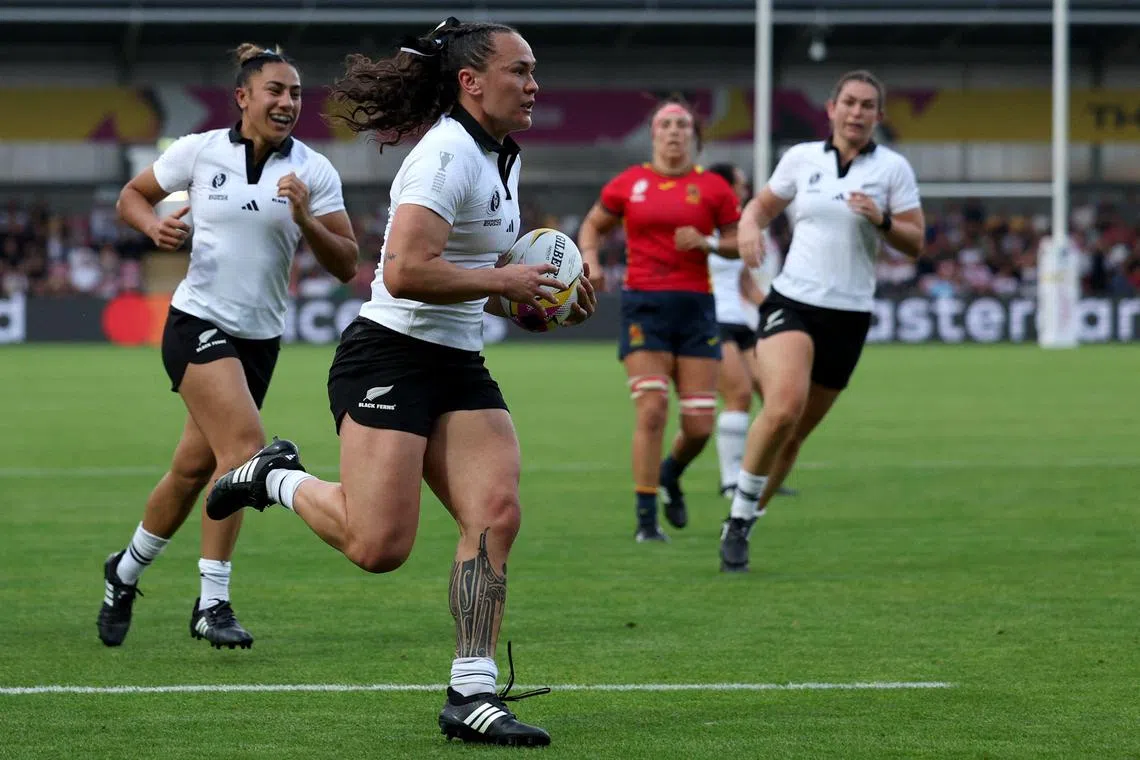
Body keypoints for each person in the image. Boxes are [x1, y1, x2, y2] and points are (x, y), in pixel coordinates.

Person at [204, 18, 596, 747]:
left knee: (496, 513)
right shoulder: (446, 155)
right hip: (387, 355)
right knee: (377, 547)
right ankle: (273, 478)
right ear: (472, 82)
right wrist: (505, 279)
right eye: (521, 70)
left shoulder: (502, 155)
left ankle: (470, 693)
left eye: (534, 70)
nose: (534, 83)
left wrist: (536, 297)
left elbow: (483, 272)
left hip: (456, 358)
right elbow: (403, 272)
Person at [98, 43, 359, 648]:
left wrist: (307, 218)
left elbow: (347, 263)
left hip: (261, 338)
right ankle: (212, 602)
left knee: (193, 472)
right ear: (243, 97)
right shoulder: (199, 150)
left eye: (295, 92)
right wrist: (151, 224)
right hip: (196, 321)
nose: (288, 101)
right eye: (275, 90)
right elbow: (130, 197)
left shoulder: (313, 171)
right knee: (243, 452)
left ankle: (124, 571)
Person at [718, 69, 925, 572]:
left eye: (867, 105)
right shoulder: (801, 159)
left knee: (794, 435)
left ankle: (746, 517)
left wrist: (881, 219)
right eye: (849, 102)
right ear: (831, 108)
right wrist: (748, 229)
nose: (857, 112)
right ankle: (738, 517)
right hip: (793, 300)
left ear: (878, 115)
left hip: (849, 315)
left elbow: (915, 242)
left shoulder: (893, 169)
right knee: (783, 406)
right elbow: (759, 209)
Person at [578, 98, 741, 542]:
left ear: (693, 135)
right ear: (653, 134)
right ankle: (646, 519)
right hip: (643, 306)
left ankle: (670, 474)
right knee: (652, 410)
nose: (673, 131)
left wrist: (708, 242)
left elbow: (739, 243)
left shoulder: (714, 190)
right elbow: (593, 225)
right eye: (666, 124)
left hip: (696, 309)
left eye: (682, 125)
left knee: (700, 425)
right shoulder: (629, 184)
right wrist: (589, 258)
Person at [704, 162, 798, 501]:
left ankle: (761, 476)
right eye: (740, 184)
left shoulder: (736, 228)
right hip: (711, 319)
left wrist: (774, 306)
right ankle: (731, 481)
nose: (745, 191)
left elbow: (743, 282)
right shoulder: (699, 223)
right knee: (738, 395)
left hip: (742, 322)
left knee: (774, 396)